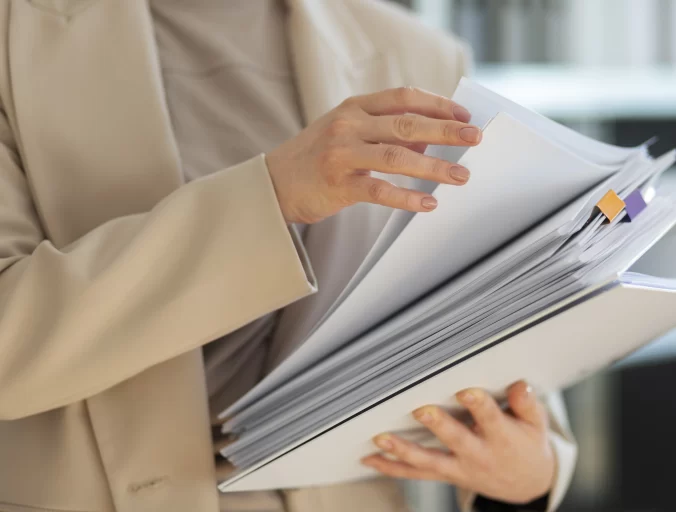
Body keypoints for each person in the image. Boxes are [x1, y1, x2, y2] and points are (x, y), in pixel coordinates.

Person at [0, 1, 576, 511]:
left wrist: (527, 476)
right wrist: (270, 197)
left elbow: (490, 324)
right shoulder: (14, 34)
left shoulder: (417, 53)